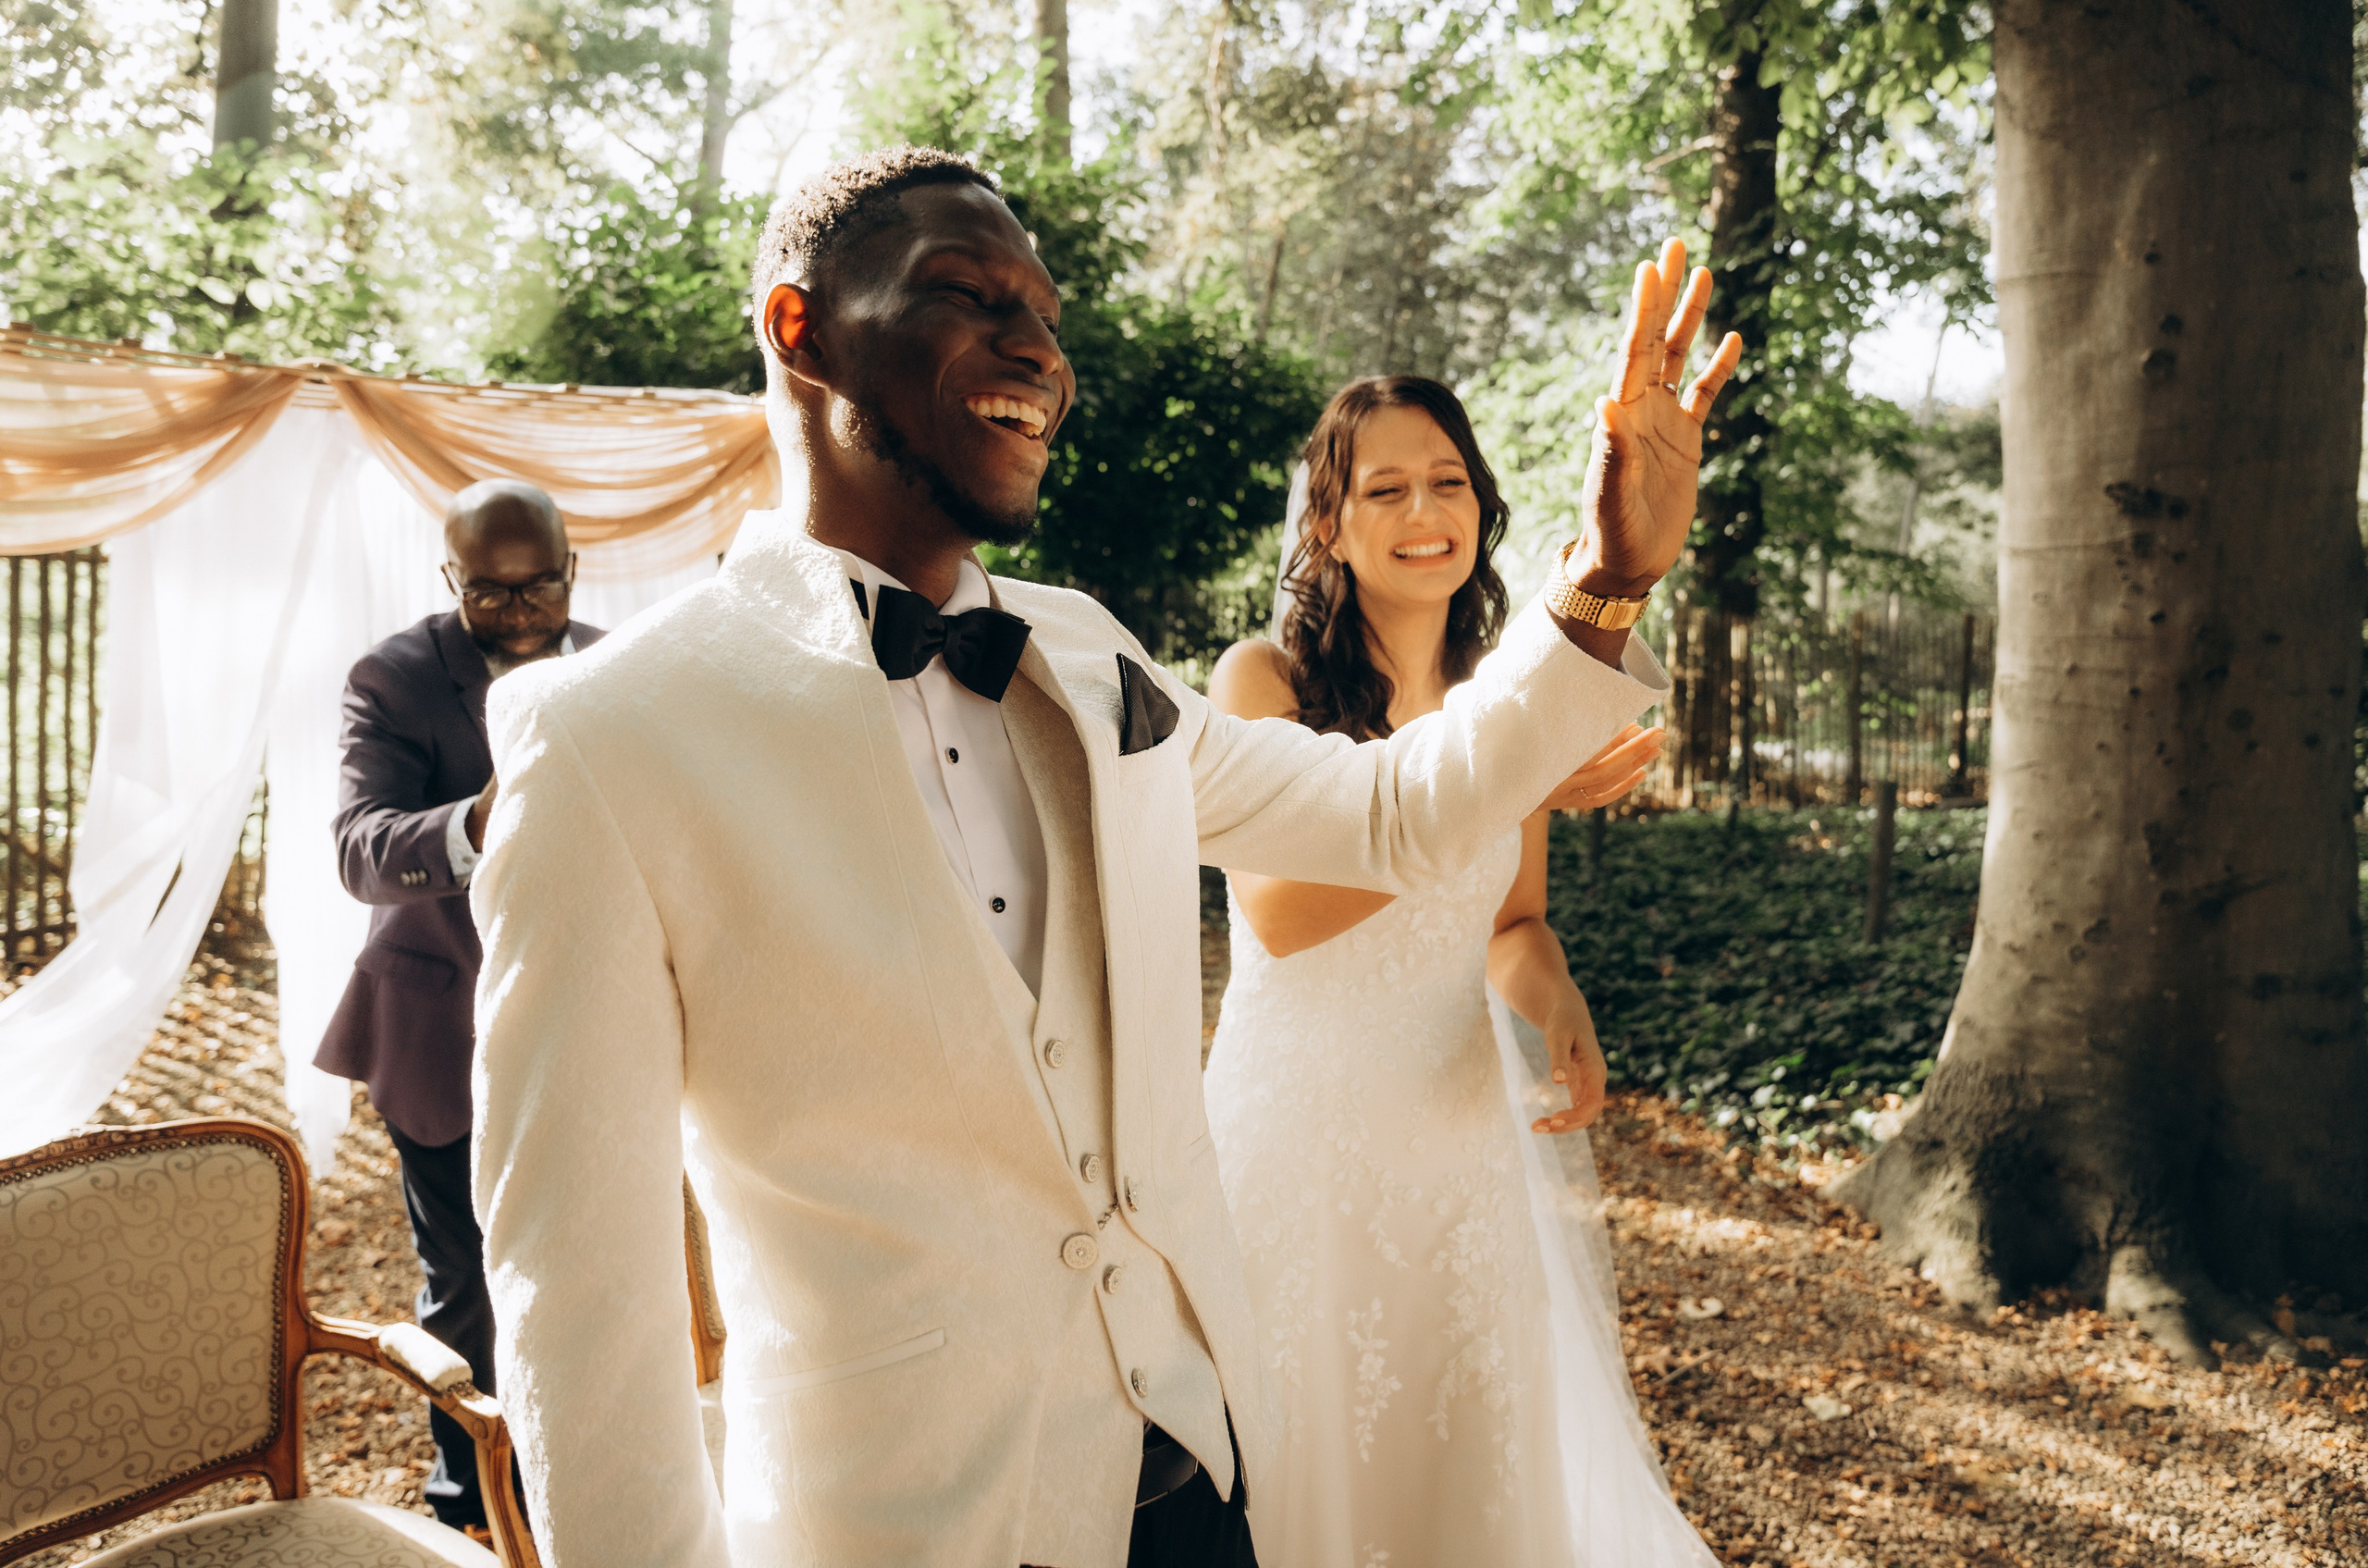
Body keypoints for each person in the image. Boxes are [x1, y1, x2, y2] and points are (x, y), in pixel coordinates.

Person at [466, 144, 1739, 1568]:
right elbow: (583, 1299)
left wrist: (1607, 579)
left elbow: (1391, 813)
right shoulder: (608, 735)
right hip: (904, 1522)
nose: (1037, 352)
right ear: (800, 326)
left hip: (1202, 1474)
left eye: (1048, 317)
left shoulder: (1086, 652)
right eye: (969, 296)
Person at [1200, 372, 1722, 1566]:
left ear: (1481, 510)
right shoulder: (1260, 684)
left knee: (1462, 1475)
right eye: (1383, 487)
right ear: (1327, 524)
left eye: (1448, 482)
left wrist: (1558, 998)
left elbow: (1511, 920)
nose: (1423, 508)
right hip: (1297, 1151)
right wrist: (1511, 774)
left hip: (1456, 1152)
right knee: (1301, 1465)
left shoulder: (1500, 704)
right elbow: (1279, 911)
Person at [316, 479, 603, 1535]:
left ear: (573, 567)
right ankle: (468, 1506)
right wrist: (480, 818)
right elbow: (358, 848)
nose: (523, 611)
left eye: (541, 586)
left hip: (586, 1018)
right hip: (440, 1024)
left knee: (583, 1262)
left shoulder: (615, 660)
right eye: (492, 593)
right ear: (452, 579)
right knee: (469, 1281)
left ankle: (577, 1476)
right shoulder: (391, 677)